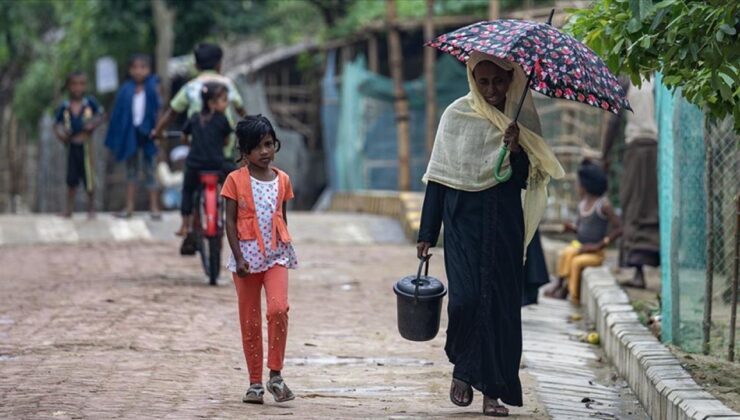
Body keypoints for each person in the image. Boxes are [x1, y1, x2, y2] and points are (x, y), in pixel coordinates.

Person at [417, 52, 564, 417]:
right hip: (463, 222)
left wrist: (515, 149)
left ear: (510, 80)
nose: (492, 89)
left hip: (503, 224)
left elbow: (524, 179)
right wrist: (426, 232)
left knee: (499, 308)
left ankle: (492, 392)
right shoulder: (455, 115)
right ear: (472, 80)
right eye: (483, 82)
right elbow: (439, 177)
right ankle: (464, 368)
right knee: (465, 301)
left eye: (499, 81)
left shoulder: (522, 118)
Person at [222, 115, 297, 404]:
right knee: (250, 320)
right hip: (246, 263)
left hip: (277, 257)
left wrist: (285, 246)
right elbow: (229, 223)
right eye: (257, 147)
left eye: (269, 144)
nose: (265, 152)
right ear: (244, 152)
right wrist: (238, 257)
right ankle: (254, 383)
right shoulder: (234, 181)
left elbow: (282, 217)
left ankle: (275, 374)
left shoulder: (283, 180)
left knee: (279, 309)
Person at [151, 43, 246, 172]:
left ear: (196, 66)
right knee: (230, 179)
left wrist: (158, 131)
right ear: (219, 64)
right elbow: (240, 110)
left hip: (197, 145)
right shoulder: (227, 84)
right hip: (223, 145)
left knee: (189, 183)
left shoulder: (190, 87)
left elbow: (172, 113)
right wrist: (250, 127)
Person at [602, 78, 660, 288]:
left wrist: (605, 154)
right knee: (652, 206)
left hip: (638, 149)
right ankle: (645, 267)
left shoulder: (629, 82)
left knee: (635, 206)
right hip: (660, 149)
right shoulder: (661, 82)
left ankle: (638, 272)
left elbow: (614, 121)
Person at [546, 160, 623, 303]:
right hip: (580, 246)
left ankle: (571, 294)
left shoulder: (603, 205)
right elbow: (582, 227)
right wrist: (572, 228)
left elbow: (619, 228)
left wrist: (600, 244)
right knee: (568, 252)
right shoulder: (583, 203)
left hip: (595, 252)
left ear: (586, 185)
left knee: (577, 263)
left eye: (578, 183)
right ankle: (560, 282)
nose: (577, 186)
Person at [105, 54, 162, 219]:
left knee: (151, 170)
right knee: (131, 171)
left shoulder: (153, 87)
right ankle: (129, 207)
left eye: (143, 67)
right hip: (131, 134)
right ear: (130, 70)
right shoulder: (125, 90)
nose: (139, 71)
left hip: (149, 134)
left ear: (149, 70)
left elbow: (158, 110)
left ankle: (154, 208)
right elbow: (118, 115)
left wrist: (158, 132)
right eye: (135, 67)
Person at [177, 82, 232, 237]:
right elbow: (226, 141)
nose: (226, 104)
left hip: (195, 164)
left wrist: (192, 142)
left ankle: (185, 224)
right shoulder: (222, 120)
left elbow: (183, 138)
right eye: (224, 100)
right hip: (217, 164)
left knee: (187, 190)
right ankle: (239, 215)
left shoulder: (194, 118)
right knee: (237, 179)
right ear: (212, 103)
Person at [53, 71, 105, 219]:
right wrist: (61, 136)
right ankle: (69, 210)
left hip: (86, 146)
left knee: (89, 178)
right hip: (72, 145)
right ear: (69, 86)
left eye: (81, 84)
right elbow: (55, 124)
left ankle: (91, 209)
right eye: (74, 84)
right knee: (71, 179)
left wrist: (92, 125)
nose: (78, 88)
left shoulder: (89, 103)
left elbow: (101, 115)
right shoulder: (65, 106)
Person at [157, 145, 188, 210]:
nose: (182, 163)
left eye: (184, 160)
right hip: (171, 202)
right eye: (180, 160)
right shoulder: (166, 169)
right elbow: (167, 181)